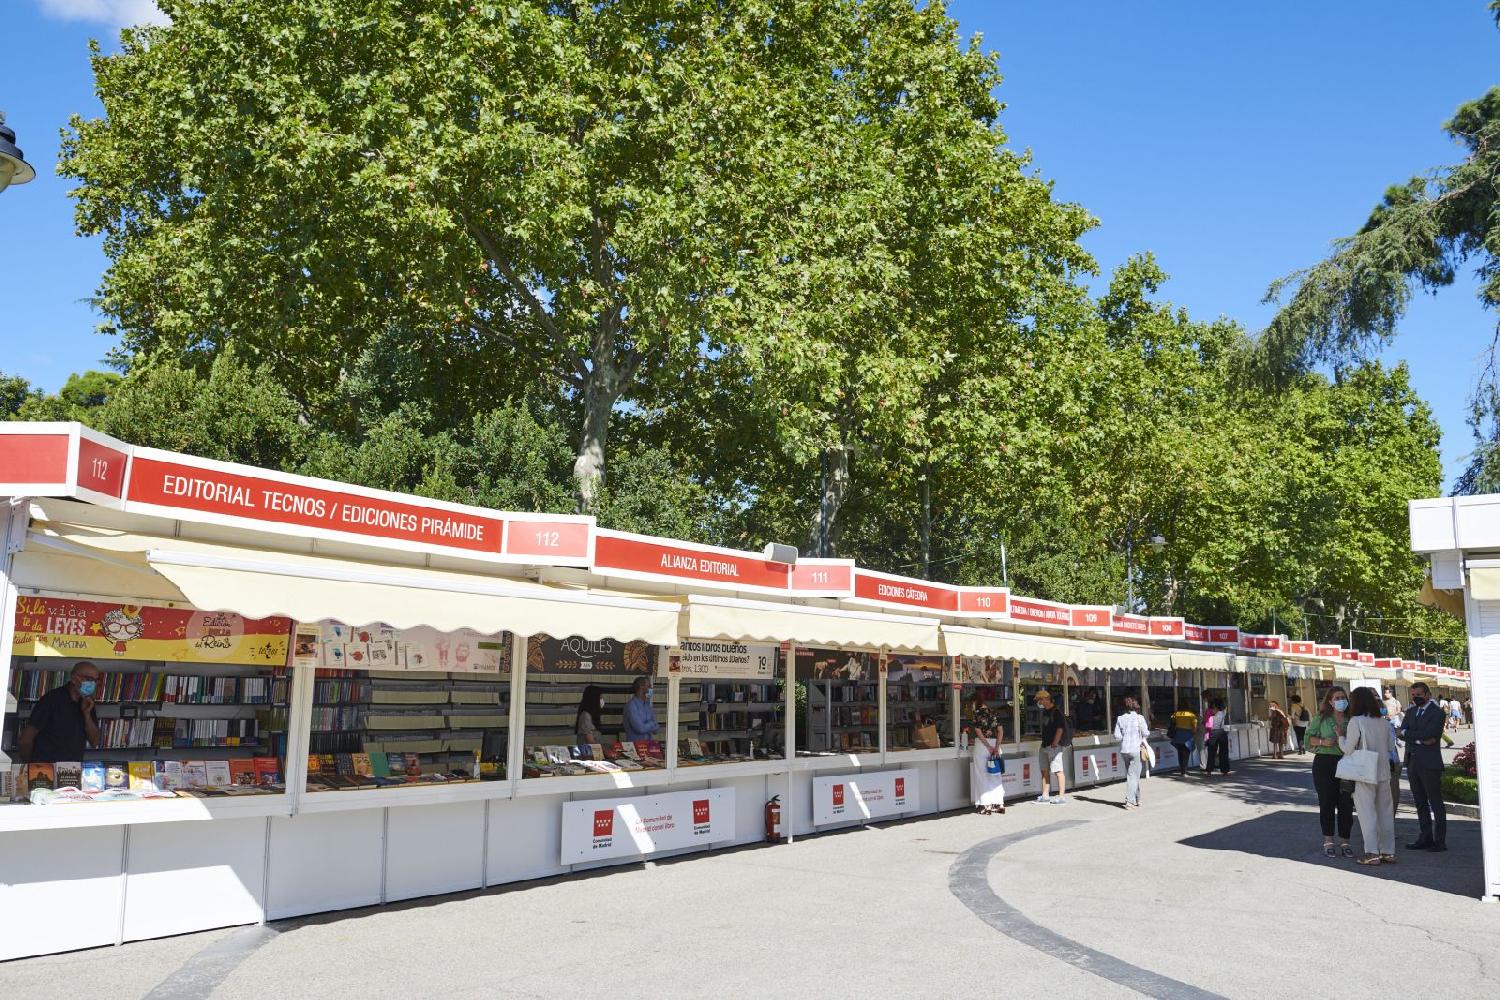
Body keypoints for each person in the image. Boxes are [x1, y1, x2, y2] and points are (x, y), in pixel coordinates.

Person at [1340, 687, 1396, 865]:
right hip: (1383, 771)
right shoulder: (1384, 722)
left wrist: (1340, 737)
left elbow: (1348, 749)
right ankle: (1388, 852)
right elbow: (1390, 746)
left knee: (1367, 814)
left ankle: (1371, 853)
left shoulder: (1356, 721)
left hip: (1364, 772)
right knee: (1385, 813)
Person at [1305, 685, 1355, 859]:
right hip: (1324, 763)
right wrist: (1322, 742)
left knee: (1346, 803)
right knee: (1327, 802)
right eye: (1337, 698)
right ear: (1330, 701)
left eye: (1343, 697)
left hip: (1347, 763)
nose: (1341, 701)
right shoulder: (1321, 718)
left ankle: (1345, 841)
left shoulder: (1352, 719)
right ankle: (1328, 840)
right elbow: (1307, 739)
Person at [17, 661, 103, 763]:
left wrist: (87, 715)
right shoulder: (51, 699)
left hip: (72, 769)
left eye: (95, 680)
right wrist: (29, 765)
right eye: (89, 679)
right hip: (46, 767)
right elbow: (25, 739)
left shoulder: (87, 702)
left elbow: (94, 742)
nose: (92, 684)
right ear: (74, 679)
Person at [1397, 682, 1446, 852]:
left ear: (1427, 694)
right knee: (1419, 802)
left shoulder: (1437, 713)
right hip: (1412, 762)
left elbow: (1430, 735)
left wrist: (1409, 734)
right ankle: (1425, 837)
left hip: (1429, 763)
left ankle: (1440, 841)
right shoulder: (1411, 711)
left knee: (1435, 802)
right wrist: (1419, 739)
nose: (1415, 697)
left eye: (1419, 694)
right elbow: (1401, 733)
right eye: (1413, 695)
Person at [1113, 696, 1151, 810]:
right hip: (1135, 750)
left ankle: (1137, 798)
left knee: (1133, 775)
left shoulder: (1120, 718)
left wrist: (1125, 736)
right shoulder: (1140, 718)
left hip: (1124, 750)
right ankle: (1129, 800)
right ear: (1136, 707)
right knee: (1133, 775)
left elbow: (1117, 736)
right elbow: (1146, 733)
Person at [968, 703, 1006, 815]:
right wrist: (996, 747)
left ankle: (987, 805)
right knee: (996, 776)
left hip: (982, 746)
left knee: (982, 776)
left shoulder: (977, 713)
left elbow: (978, 731)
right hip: (995, 744)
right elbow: (1000, 731)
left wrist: (988, 746)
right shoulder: (995, 714)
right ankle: (1000, 804)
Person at [1036, 690, 1071, 804]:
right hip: (1045, 745)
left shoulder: (1056, 712)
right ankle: (1045, 795)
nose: (1038, 702)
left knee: (1058, 771)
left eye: (1039, 700)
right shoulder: (1045, 712)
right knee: (1044, 770)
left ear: (1046, 699)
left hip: (1053, 746)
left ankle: (1061, 797)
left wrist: (1054, 743)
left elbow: (1060, 729)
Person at [622, 676, 660, 743]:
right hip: (634, 746)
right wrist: (652, 724)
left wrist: (647, 726)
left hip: (648, 745)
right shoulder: (631, 706)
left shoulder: (647, 706)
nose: (651, 689)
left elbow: (656, 729)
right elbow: (640, 729)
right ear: (641, 687)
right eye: (649, 686)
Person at [1169, 706, 1197, 777]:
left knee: (1180, 753)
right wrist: (1192, 733)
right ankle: (1184, 772)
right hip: (1187, 736)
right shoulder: (1191, 715)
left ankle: (1182, 771)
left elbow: (1172, 721)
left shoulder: (1176, 714)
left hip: (1178, 735)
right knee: (1186, 754)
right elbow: (1195, 728)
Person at [1207, 699, 1231, 775]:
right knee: (1224, 752)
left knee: (1211, 752)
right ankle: (1225, 770)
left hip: (1213, 733)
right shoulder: (1223, 712)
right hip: (1222, 732)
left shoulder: (1211, 712)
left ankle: (1209, 771)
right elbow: (1226, 707)